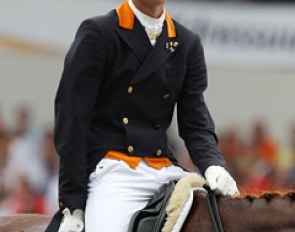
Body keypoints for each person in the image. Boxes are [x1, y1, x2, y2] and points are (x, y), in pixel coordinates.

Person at [46, 0, 239, 231]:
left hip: (166, 169)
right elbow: (72, 119)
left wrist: (214, 165)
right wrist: (72, 203)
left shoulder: (187, 43)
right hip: (114, 170)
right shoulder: (99, 33)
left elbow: (195, 123)